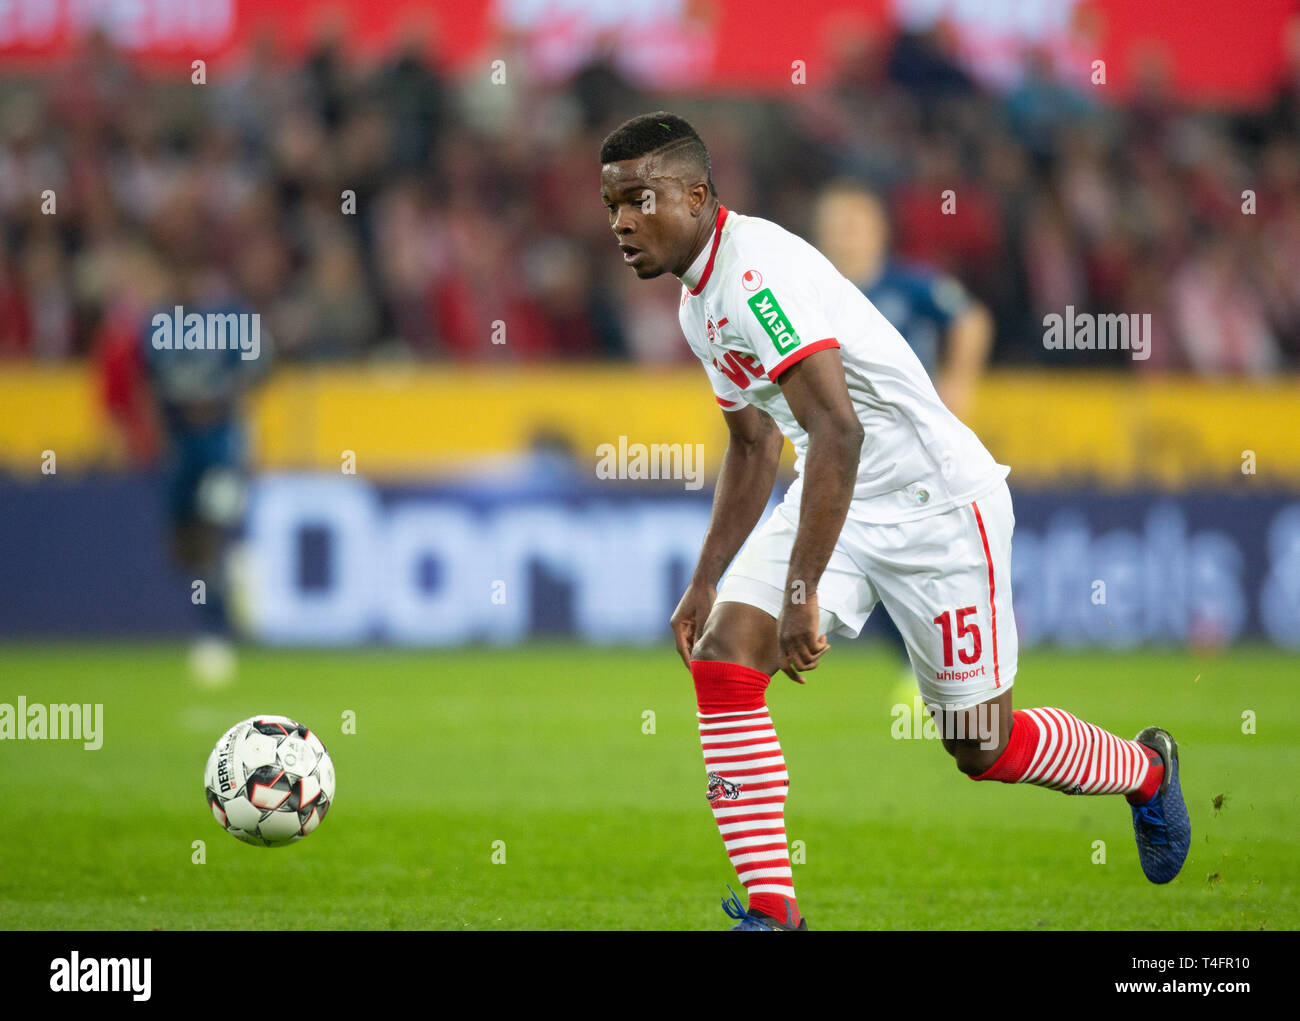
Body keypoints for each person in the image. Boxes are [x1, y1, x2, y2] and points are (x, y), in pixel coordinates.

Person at [598, 112, 1190, 930]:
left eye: (639, 199)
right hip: (837, 494)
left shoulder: (754, 277)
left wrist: (801, 590)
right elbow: (752, 442)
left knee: (983, 745)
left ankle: (1145, 772)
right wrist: (706, 579)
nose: (623, 221)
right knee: (725, 654)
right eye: (612, 206)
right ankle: (775, 912)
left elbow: (841, 429)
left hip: (936, 504)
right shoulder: (699, 306)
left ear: (696, 195)